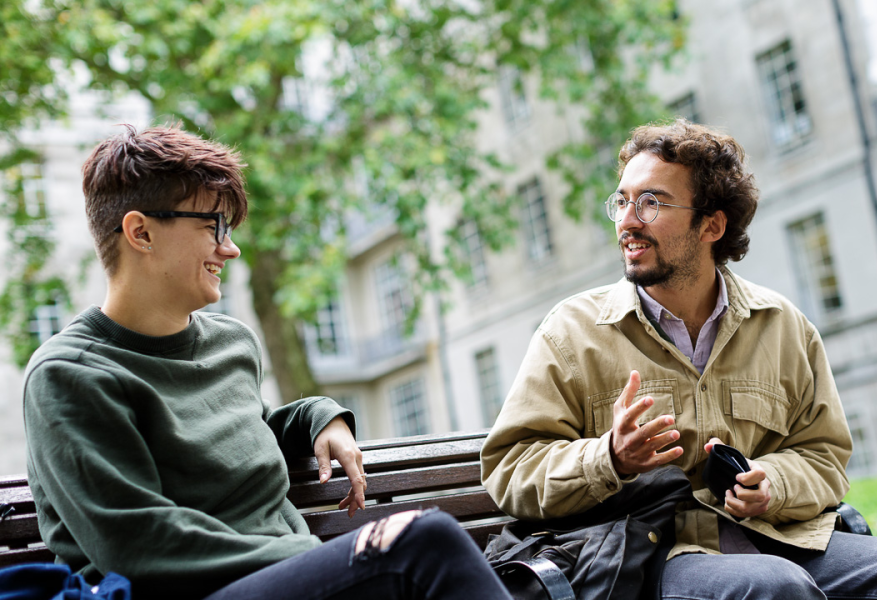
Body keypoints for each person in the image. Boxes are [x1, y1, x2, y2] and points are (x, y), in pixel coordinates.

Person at [480, 119, 877, 599]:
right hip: (651, 558)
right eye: (623, 201)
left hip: (779, 540)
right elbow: (510, 469)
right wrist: (609, 458)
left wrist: (772, 483)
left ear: (711, 226)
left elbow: (823, 456)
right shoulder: (572, 332)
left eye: (652, 203)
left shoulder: (783, 326)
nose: (628, 222)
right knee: (773, 586)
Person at [23, 125, 512, 600]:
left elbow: (228, 440)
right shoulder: (70, 376)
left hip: (286, 577)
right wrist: (323, 557)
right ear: (141, 232)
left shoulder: (231, 343)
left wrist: (317, 416)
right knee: (423, 542)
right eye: (212, 226)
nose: (230, 248)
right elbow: (137, 545)